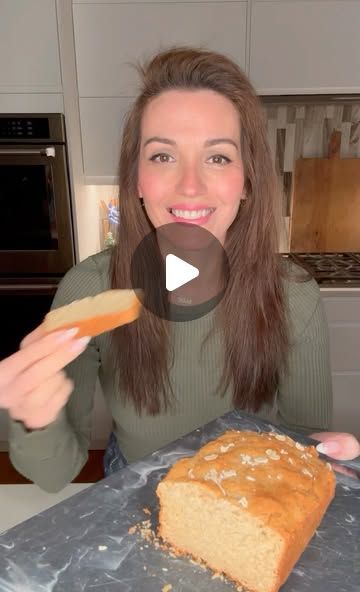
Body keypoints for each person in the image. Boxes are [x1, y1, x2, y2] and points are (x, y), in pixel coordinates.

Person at [1, 47, 359, 493]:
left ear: (247, 180)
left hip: (245, 488)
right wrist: (33, 416)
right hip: (136, 482)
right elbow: (54, 475)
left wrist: (317, 454)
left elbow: (304, 438)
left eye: (218, 157)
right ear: (136, 178)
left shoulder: (294, 295)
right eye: (163, 156)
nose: (190, 186)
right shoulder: (88, 288)